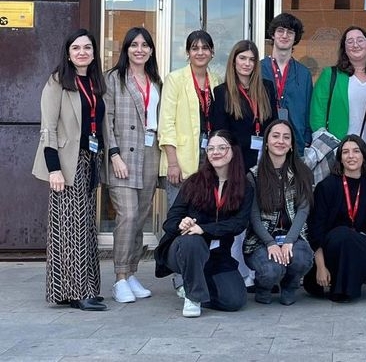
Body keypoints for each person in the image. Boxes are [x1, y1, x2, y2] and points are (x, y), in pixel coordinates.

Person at [33, 29, 108, 311]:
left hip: (90, 161)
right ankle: (77, 292)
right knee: (69, 228)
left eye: (87, 48)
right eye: (76, 48)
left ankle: (84, 287)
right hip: (66, 163)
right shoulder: (57, 82)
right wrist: (54, 170)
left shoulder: (95, 82)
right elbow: (48, 129)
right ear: (68, 53)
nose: (82, 52)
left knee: (85, 228)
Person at [154, 130, 253, 318]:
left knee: (235, 301)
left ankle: (194, 283)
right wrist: (183, 224)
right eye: (211, 148)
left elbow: (239, 224)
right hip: (183, 251)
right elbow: (171, 220)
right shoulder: (194, 182)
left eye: (222, 148)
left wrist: (204, 229)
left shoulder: (243, 186)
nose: (215, 152)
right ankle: (194, 297)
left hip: (217, 255)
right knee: (192, 239)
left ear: (233, 151)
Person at [103, 27, 162, 304]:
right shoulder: (114, 79)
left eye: (145, 45)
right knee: (126, 216)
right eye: (134, 44)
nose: (140, 49)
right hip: (123, 157)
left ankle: (132, 271)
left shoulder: (155, 81)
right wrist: (114, 155)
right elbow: (107, 120)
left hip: (149, 155)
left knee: (140, 217)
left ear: (151, 50)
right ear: (126, 49)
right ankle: (119, 278)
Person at [306, 135, 366, 302]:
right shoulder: (326, 186)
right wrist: (321, 267)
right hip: (331, 249)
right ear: (340, 159)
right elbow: (316, 230)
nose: (351, 156)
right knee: (343, 234)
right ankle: (342, 290)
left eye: (356, 151)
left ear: (364, 155)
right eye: (345, 152)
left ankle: (344, 283)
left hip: (358, 245)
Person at [243, 120, 315, 305]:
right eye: (275, 136)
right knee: (271, 270)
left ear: (291, 144)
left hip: (293, 238)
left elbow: (303, 210)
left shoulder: (303, 172)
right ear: (266, 142)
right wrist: (270, 243)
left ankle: (290, 286)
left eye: (286, 137)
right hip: (261, 241)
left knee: (302, 258)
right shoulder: (253, 175)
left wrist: (289, 241)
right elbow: (253, 217)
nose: (280, 141)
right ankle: (263, 287)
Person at [159, 30, 219, 207]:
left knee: (202, 214)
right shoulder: (175, 79)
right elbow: (166, 123)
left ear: (212, 52)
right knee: (179, 216)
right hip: (181, 158)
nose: (200, 52)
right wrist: (172, 163)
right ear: (188, 53)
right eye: (195, 48)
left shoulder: (217, 81)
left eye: (205, 48)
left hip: (209, 156)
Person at [310, 26, 366, 146]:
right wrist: (328, 145)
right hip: (338, 150)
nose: (355, 45)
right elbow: (317, 113)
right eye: (350, 41)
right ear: (344, 49)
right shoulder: (330, 75)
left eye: (360, 40)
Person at [211, 39, 275, 171]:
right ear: (234, 61)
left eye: (252, 60)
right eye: (242, 58)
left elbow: (274, 124)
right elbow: (221, 133)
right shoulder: (222, 92)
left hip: (265, 160)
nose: (247, 63)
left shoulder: (267, 88)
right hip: (236, 161)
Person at [261, 13, 313, 155]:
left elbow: (309, 110)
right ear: (272, 34)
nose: (285, 35)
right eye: (280, 31)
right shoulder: (257, 70)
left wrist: (307, 140)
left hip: (296, 146)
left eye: (290, 32)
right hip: (263, 145)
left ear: (295, 38)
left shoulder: (304, 74)